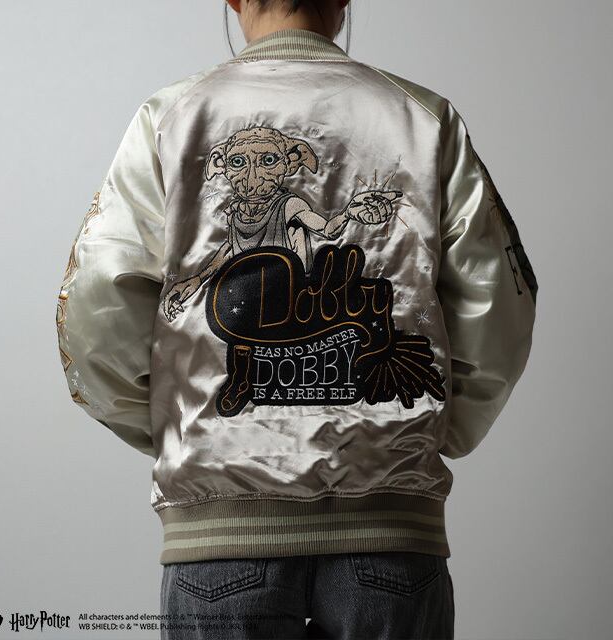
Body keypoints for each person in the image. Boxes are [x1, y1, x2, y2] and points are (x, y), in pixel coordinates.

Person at [55, 0, 539, 637]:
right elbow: (499, 301)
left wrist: (180, 430)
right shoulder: (423, 117)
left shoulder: (170, 117)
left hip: (221, 527)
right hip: (390, 518)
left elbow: (95, 304)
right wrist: (436, 431)